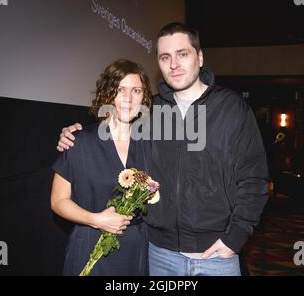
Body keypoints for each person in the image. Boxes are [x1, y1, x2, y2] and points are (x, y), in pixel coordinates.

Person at [57, 23, 269, 276]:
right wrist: (72, 134)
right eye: (165, 57)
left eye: (183, 54)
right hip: (159, 254)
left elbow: (254, 180)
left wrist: (234, 238)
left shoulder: (232, 108)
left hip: (216, 255)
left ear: (200, 57)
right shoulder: (150, 112)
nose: (174, 64)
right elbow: (112, 125)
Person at [50, 59, 153, 276]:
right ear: (108, 94)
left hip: (136, 250)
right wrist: (96, 219)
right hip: (90, 245)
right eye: (120, 89)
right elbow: (58, 201)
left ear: (144, 98)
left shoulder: (150, 144)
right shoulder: (79, 141)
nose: (128, 98)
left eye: (136, 90)